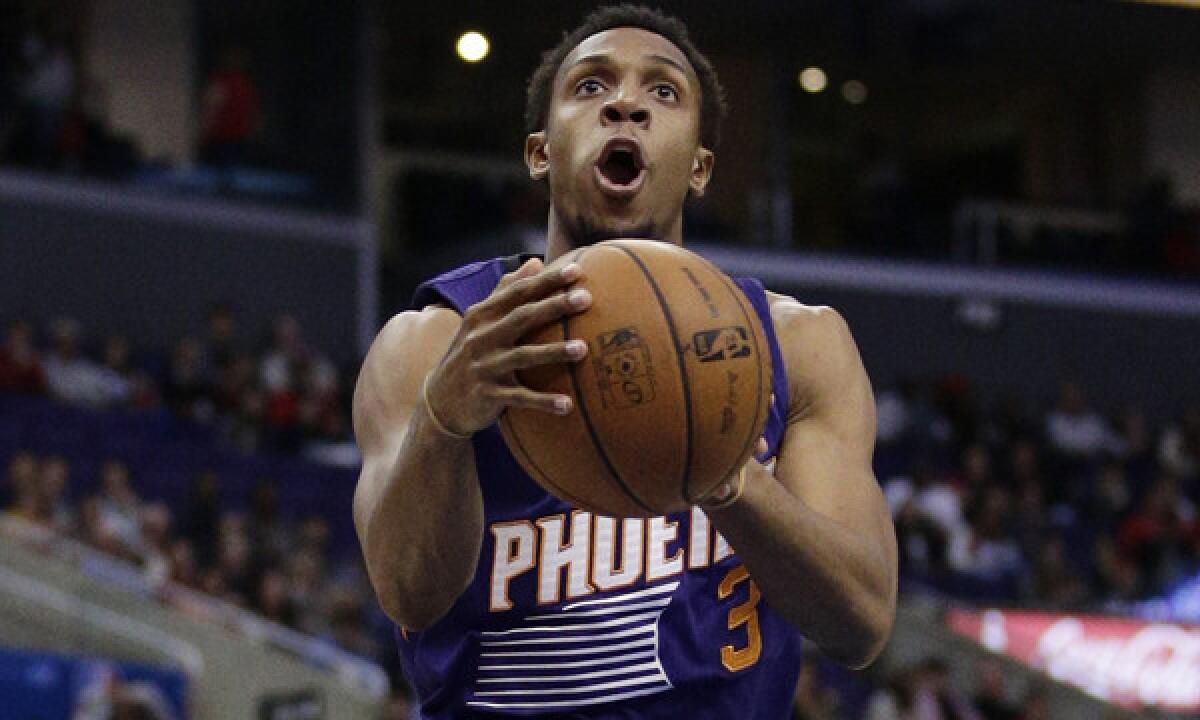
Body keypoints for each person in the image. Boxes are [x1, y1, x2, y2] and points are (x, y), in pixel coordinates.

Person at [352, 6, 896, 717]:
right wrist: (444, 421)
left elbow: (861, 622)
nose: (625, 102)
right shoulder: (431, 343)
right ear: (540, 153)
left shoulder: (796, 344)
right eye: (590, 86)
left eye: (663, 91)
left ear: (699, 167)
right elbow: (406, 592)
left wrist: (727, 477)